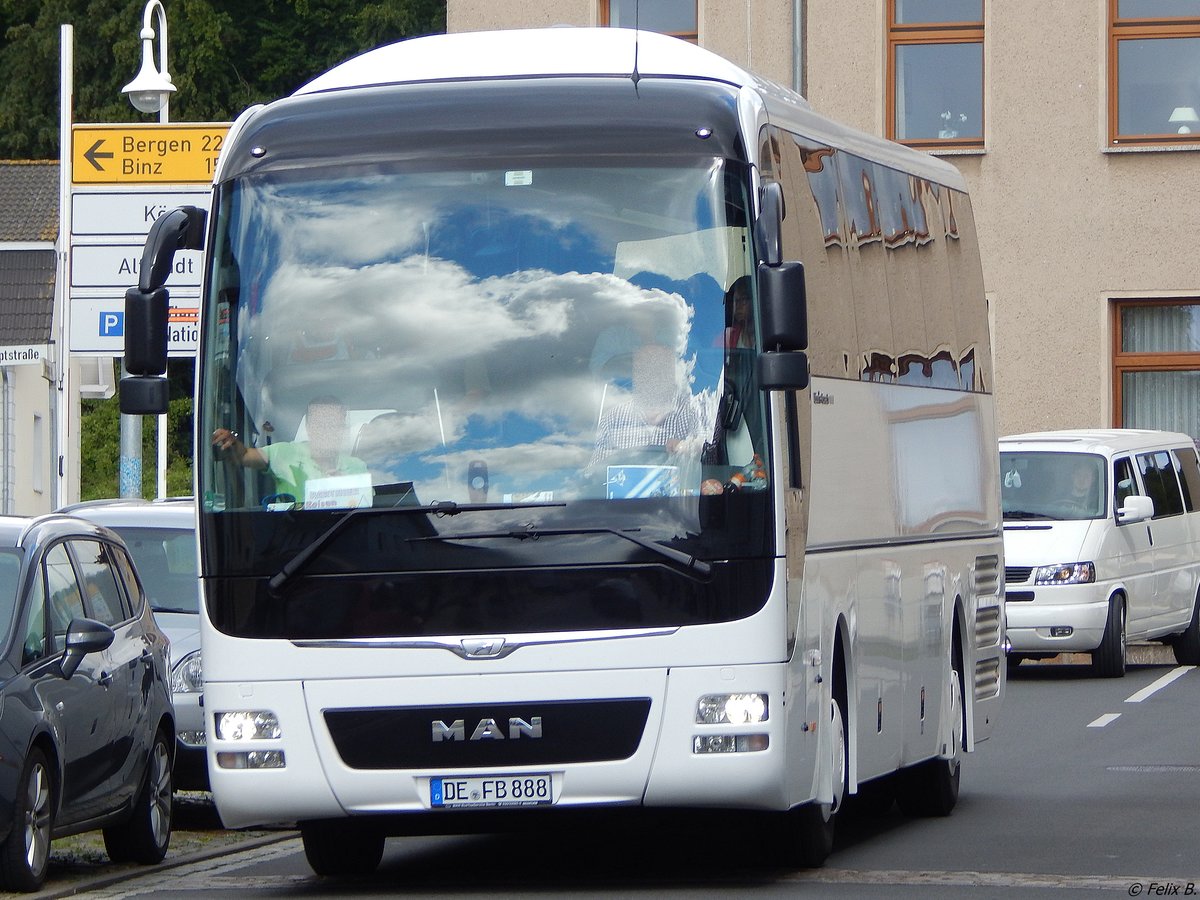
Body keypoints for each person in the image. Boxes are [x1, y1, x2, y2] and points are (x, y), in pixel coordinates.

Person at [212, 396, 369, 506]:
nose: (328, 431)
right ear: (309, 427)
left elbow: (366, 508)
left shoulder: (357, 467)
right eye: (322, 424)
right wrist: (230, 443)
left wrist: (345, 489)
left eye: (334, 425)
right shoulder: (286, 453)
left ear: (342, 429)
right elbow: (244, 455)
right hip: (293, 539)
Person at [591, 341, 702, 469]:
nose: (651, 374)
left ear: (671, 372)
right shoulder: (613, 419)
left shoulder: (694, 411)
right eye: (644, 367)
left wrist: (689, 448)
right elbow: (594, 474)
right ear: (635, 373)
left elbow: (712, 456)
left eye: (658, 367)